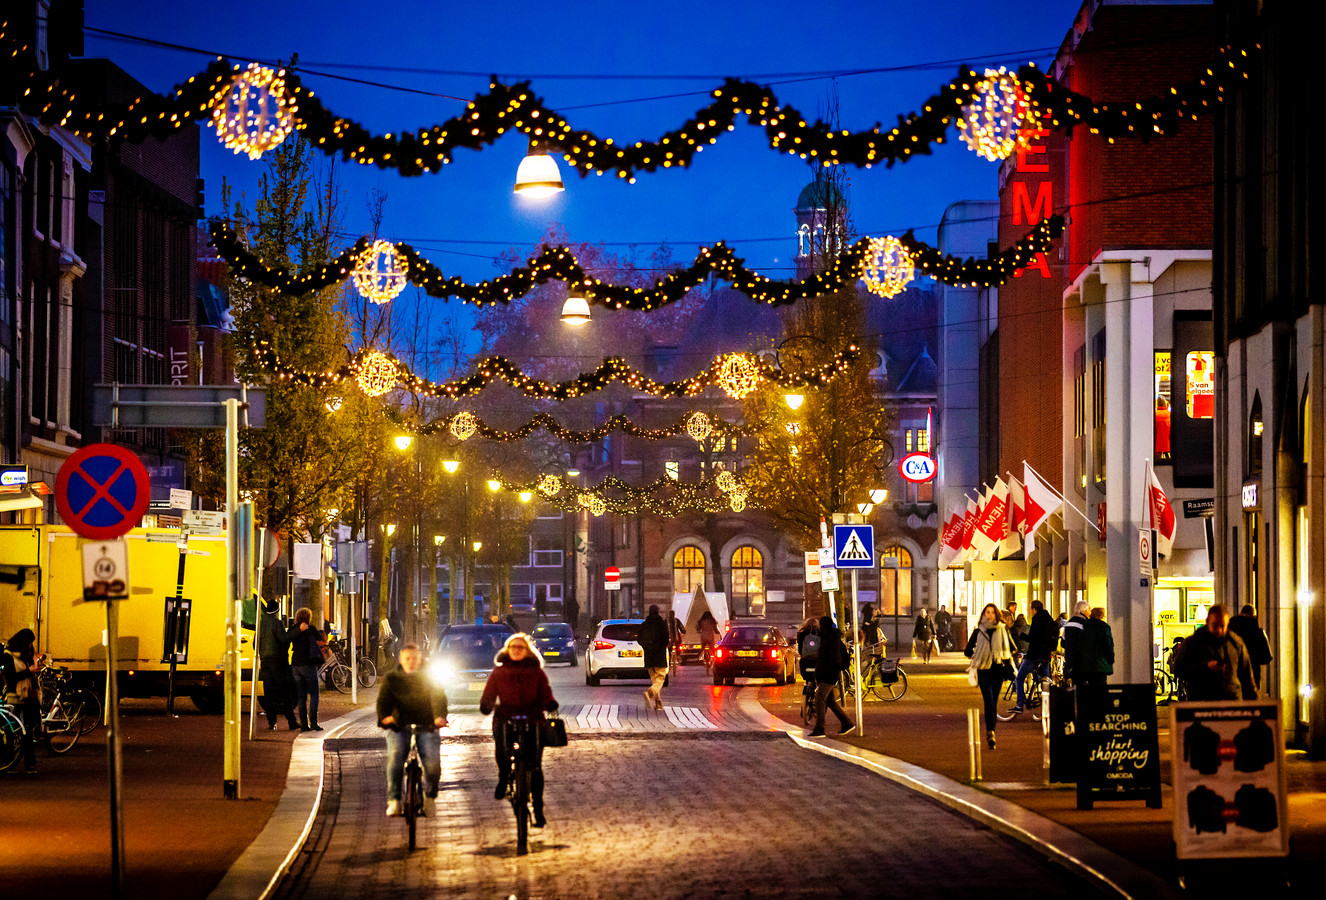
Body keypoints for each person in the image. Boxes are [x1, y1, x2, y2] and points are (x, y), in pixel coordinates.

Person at [479, 633, 558, 828]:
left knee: (536, 766)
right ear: (507, 650)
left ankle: (538, 809)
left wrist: (549, 703)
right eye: (513, 647)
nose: (516, 650)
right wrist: (487, 704)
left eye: (520, 647)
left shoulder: (537, 672)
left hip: (532, 718)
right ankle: (504, 775)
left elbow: (545, 693)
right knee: (502, 749)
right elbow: (489, 694)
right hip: (505, 717)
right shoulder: (498, 672)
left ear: (527, 651)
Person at [377, 643, 449, 817]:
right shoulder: (392, 678)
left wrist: (439, 716)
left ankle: (430, 796)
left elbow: (438, 697)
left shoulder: (430, 677)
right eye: (407, 658)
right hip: (399, 724)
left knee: (432, 764)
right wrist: (385, 717)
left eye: (415, 658)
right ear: (401, 659)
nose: (411, 662)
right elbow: (383, 700)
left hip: (426, 724)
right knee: (396, 756)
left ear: (420, 659)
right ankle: (394, 800)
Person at [1172, 605, 1257, 701]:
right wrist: (1205, 667)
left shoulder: (1236, 643)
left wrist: (1254, 703)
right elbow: (1179, 670)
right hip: (1203, 704)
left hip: (1230, 703)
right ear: (1207, 622)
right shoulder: (1193, 643)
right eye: (1215, 625)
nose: (1219, 630)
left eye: (1222, 626)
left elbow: (1247, 677)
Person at [965, 603, 1015, 750]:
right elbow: (968, 651)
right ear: (983, 614)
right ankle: (991, 732)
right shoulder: (978, 631)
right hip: (984, 669)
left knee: (993, 701)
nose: (990, 615)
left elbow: (1011, 648)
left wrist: (1010, 668)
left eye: (993, 612)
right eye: (987, 612)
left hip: (998, 670)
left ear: (996, 615)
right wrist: (979, 654)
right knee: (989, 700)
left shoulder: (1002, 629)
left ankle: (991, 730)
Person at [1007, 599, 1056, 715]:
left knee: (1019, 678)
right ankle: (1048, 705)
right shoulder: (1050, 620)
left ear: (1033, 609)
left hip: (1034, 655)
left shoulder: (1036, 620)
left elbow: (1033, 639)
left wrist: (1023, 636)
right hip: (1046, 656)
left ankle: (1020, 704)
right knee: (1045, 680)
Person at [257, 599, 300, 731]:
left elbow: (255, 643)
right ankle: (292, 722)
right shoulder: (277, 623)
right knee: (284, 692)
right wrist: (297, 630)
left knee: (268, 692)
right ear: (277, 610)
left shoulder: (261, 623)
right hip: (277, 661)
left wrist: (262, 652)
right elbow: (284, 638)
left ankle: (271, 722)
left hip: (264, 661)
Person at [809, 616, 855, 738]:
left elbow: (834, 658)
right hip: (826, 673)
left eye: (820, 625)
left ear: (823, 626)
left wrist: (826, 669)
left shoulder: (831, 639)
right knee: (830, 701)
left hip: (828, 674)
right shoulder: (827, 638)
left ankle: (820, 727)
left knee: (819, 698)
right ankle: (847, 723)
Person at [3, 628, 41, 773]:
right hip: (15, 697)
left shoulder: (27, 655)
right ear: (24, 642)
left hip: (28, 697)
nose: (31, 646)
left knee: (28, 732)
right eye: (30, 643)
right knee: (13, 732)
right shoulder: (9, 656)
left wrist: (35, 669)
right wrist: (28, 671)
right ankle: (10, 763)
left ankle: (29, 764)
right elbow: (11, 677)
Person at [289, 607, 324, 732]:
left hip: (295, 665)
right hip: (308, 665)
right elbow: (320, 638)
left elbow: (288, 638)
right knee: (314, 694)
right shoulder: (311, 629)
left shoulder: (294, 629)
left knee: (301, 696)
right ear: (309, 617)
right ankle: (313, 723)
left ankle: (304, 725)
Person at [1228, 605, 1272, 690]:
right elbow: (1267, 657)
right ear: (1254, 616)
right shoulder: (1258, 632)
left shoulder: (1229, 631)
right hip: (1252, 676)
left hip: (1233, 676)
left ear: (1240, 614)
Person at [638, 605, 670, 710]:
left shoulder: (644, 624)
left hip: (649, 655)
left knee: (655, 680)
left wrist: (646, 646)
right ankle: (649, 693)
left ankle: (658, 703)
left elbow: (639, 639)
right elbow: (666, 638)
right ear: (658, 611)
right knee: (660, 677)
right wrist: (662, 646)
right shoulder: (661, 624)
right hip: (659, 654)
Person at [1076, 607, 1115, 688]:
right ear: (1102, 616)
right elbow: (1108, 645)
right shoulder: (1104, 628)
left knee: (1091, 688)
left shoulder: (1085, 628)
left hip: (1087, 664)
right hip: (1101, 664)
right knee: (1101, 688)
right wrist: (1111, 659)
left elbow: (1079, 646)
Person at [1061, 601, 1089, 684]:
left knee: (1075, 686)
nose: (1090, 612)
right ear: (1084, 611)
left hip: (1070, 661)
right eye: (1089, 609)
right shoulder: (1085, 623)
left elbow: (1063, 642)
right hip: (1082, 662)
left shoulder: (1069, 623)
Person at [796, 616, 820, 682]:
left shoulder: (802, 633)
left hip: (806, 658)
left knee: (803, 666)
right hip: (818, 658)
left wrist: (802, 653)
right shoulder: (820, 633)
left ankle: (807, 682)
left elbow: (800, 645)